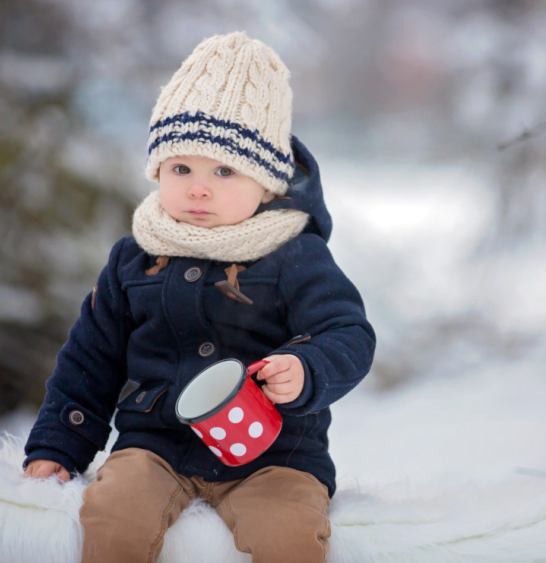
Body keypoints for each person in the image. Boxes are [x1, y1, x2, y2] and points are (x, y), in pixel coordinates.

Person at [23, 31, 376, 563]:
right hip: (154, 448)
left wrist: (306, 369)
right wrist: (57, 445)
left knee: (288, 535)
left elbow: (347, 333)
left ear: (268, 184)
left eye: (225, 170)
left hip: (274, 455)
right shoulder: (134, 258)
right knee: (113, 515)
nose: (198, 188)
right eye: (181, 168)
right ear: (158, 170)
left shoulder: (294, 255)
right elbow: (89, 359)